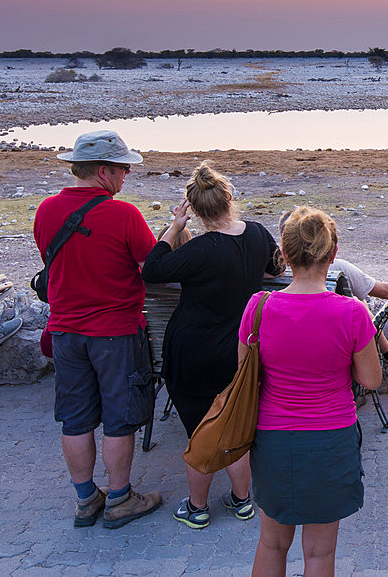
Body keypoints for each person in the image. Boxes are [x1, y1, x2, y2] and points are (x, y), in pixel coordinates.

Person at [142, 162, 283, 529]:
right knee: (233, 426)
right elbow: (277, 268)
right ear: (229, 198)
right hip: (239, 352)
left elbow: (152, 271)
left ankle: (197, 507)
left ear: (196, 210)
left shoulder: (200, 249)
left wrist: (174, 227)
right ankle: (241, 501)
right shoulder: (256, 234)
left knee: (200, 431)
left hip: (192, 353)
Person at [33, 130, 161, 529]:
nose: (126, 177)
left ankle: (86, 499)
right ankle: (121, 499)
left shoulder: (45, 211)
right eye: (123, 169)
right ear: (103, 171)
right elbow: (153, 267)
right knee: (119, 419)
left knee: (75, 419)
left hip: (66, 332)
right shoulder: (125, 216)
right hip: (116, 333)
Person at [245, 206, 381, 576]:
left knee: (271, 543)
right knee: (320, 554)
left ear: (284, 254)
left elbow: (245, 374)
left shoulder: (257, 307)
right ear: (333, 255)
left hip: (273, 439)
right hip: (331, 441)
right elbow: (371, 380)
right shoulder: (352, 312)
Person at [278, 210, 388, 373]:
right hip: (337, 368)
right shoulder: (339, 268)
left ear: (284, 251)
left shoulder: (261, 300)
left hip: (282, 385)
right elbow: (386, 290)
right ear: (331, 251)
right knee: (359, 302)